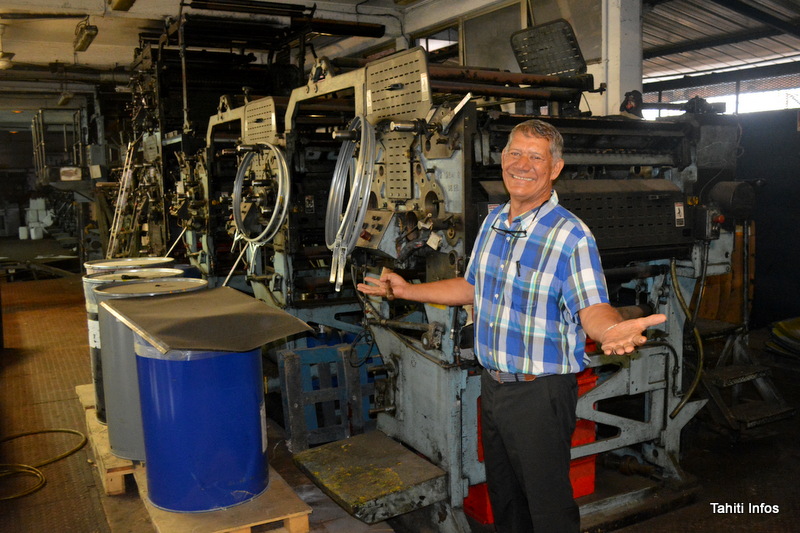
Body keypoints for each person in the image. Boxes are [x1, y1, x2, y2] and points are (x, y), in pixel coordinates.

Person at [357, 119, 666, 532]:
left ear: (555, 168)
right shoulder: (493, 222)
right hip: (494, 385)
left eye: (535, 157)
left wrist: (609, 330)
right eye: (514, 154)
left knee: (548, 508)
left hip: (539, 394)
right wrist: (405, 290)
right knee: (506, 502)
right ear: (502, 159)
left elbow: (592, 305)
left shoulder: (571, 235)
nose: (522, 164)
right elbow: (472, 287)